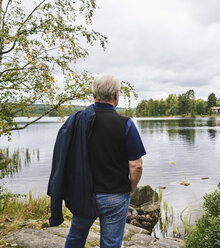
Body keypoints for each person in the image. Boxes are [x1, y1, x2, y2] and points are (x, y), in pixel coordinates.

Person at [47, 74, 146, 248]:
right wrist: (131, 187)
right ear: (116, 95)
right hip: (115, 195)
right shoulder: (126, 124)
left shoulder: (77, 121)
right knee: (110, 243)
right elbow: (136, 165)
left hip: (83, 193)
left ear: (94, 94)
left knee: (76, 236)